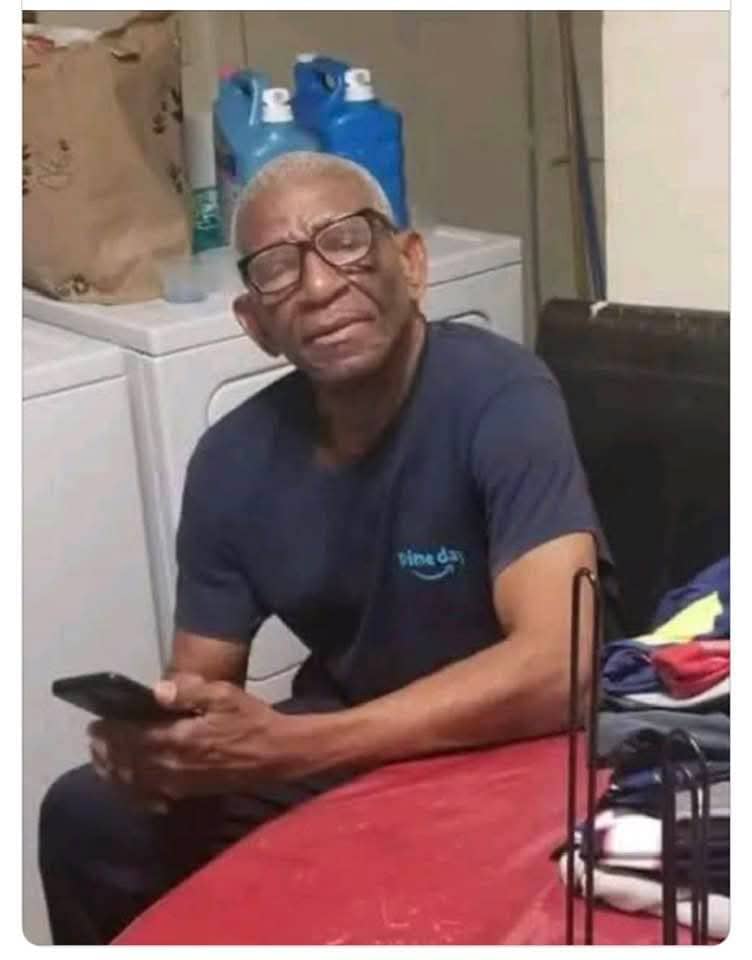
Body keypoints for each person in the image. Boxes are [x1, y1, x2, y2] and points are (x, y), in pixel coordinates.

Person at [39, 152, 609, 944]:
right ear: (256, 324)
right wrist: (168, 750)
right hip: (342, 741)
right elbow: (204, 688)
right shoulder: (232, 462)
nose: (316, 285)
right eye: (278, 269)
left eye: (344, 241)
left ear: (411, 264)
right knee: (88, 815)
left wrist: (293, 746)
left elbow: (560, 670)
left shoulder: (502, 395)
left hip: (513, 742)